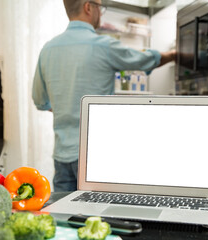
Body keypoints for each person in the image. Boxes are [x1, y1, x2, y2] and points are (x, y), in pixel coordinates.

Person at [32, 0, 176, 192]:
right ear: (88, 7)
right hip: (94, 155)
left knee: (63, 216)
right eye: (100, 6)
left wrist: (65, 105)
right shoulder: (104, 46)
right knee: (97, 215)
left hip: (61, 154)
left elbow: (40, 100)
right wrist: (175, 54)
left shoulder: (48, 49)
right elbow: (144, 59)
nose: (101, 12)